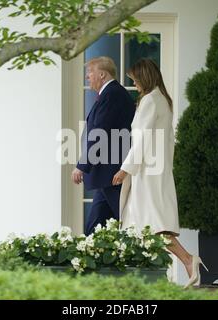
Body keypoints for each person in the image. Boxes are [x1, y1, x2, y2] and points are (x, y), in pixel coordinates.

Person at [112, 58, 208, 289]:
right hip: (156, 170)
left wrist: (125, 169)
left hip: (148, 173)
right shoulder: (162, 100)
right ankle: (180, 263)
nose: (134, 85)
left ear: (144, 77)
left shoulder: (151, 101)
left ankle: (183, 261)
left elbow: (142, 140)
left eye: (135, 80)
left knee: (150, 225)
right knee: (143, 225)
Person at [71, 56, 135, 236]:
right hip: (107, 176)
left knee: (130, 227)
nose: (87, 77)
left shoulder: (112, 95)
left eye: (90, 72)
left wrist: (82, 166)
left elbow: (99, 133)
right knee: (94, 228)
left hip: (112, 175)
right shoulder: (110, 94)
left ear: (102, 75)